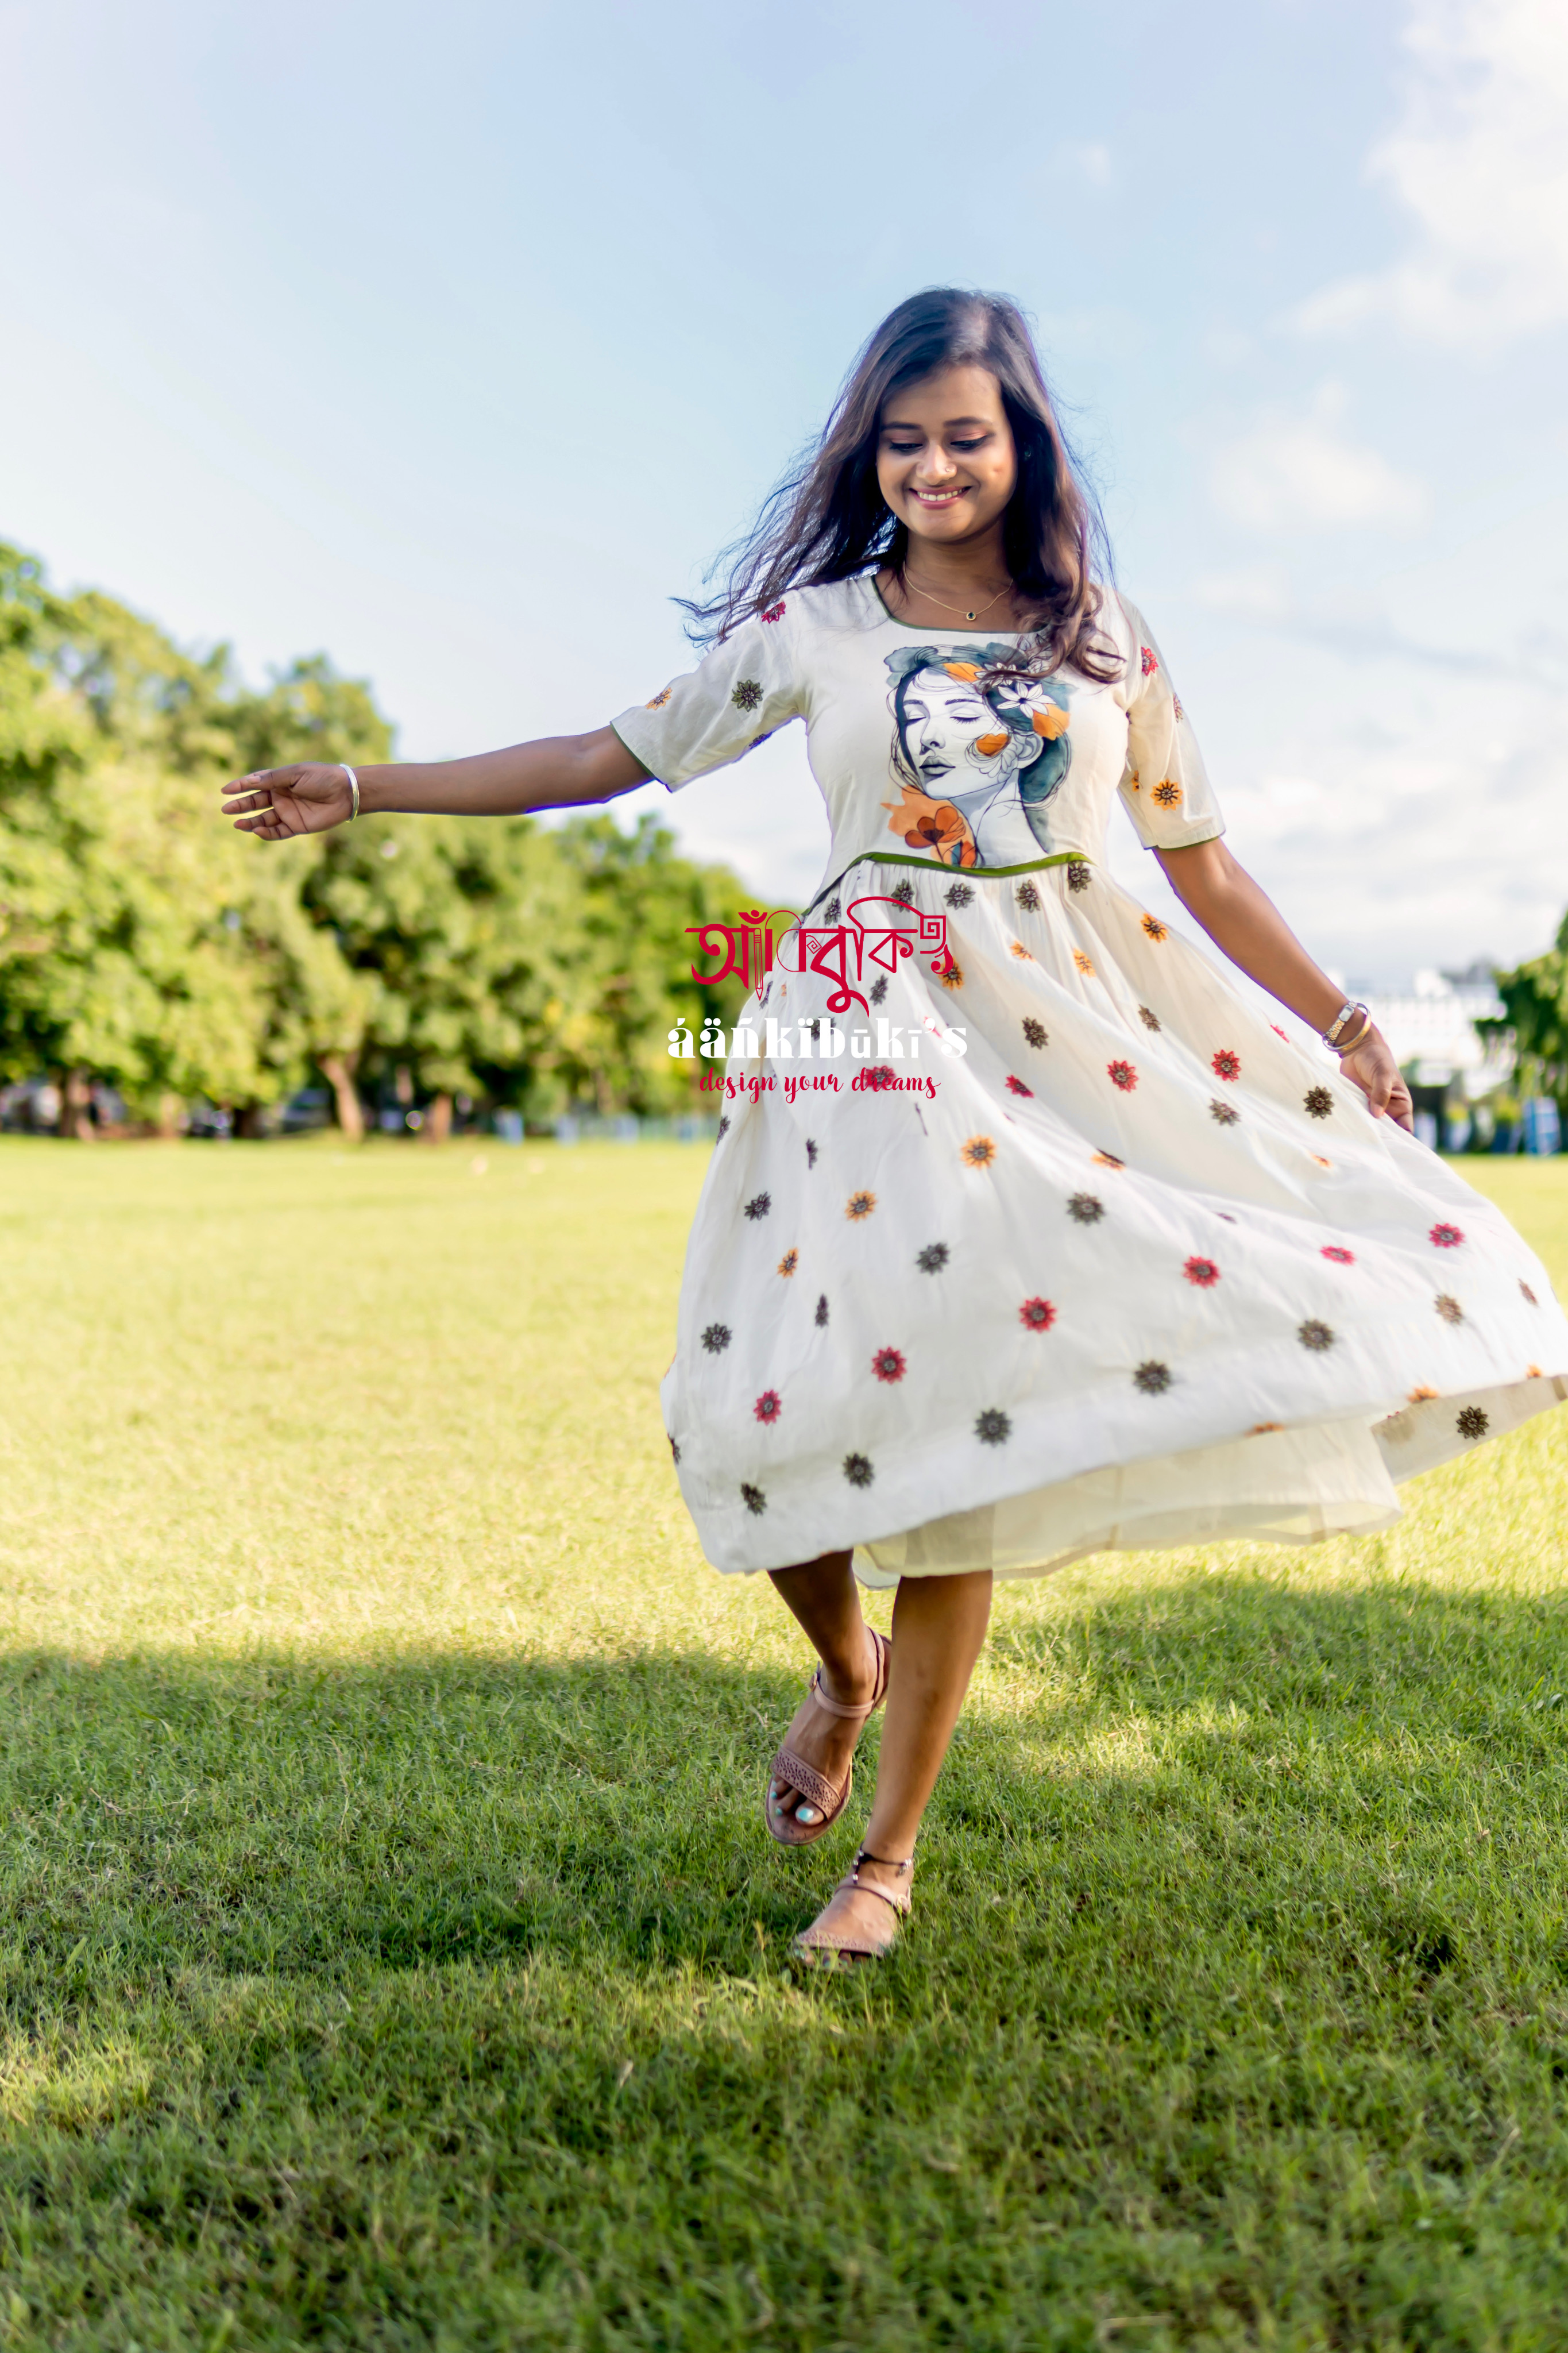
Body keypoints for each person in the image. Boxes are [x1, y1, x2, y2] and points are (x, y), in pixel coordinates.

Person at [223, 287, 1568, 1968]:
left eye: (966, 435)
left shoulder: (1108, 639)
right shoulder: (816, 626)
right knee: (732, 1398)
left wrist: (1349, 1023)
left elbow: (1200, 861)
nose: (934, 463)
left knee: (970, 1425)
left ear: (1022, 449)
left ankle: (889, 1862)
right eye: (905, 437)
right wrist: (367, 787)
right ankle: (842, 1667)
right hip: (865, 1012)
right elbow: (604, 752)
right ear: (873, 449)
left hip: (1073, 1027)